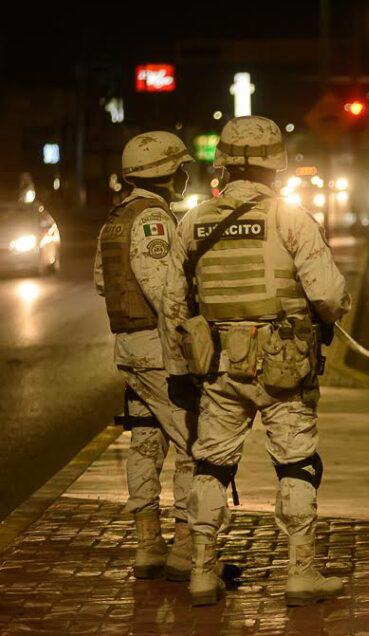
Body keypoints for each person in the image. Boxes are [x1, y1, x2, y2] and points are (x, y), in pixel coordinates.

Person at [160, 115, 350, 607]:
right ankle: (301, 574)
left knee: (212, 464)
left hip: (217, 368)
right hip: (284, 365)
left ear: (222, 162)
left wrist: (180, 372)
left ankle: (202, 573)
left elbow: (173, 306)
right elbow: (328, 296)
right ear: (277, 167)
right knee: (297, 464)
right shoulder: (291, 218)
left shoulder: (194, 220)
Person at [94, 132, 200, 581]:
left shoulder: (116, 218)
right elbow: (164, 294)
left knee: (145, 442)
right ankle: (184, 549)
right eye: (181, 168)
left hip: (128, 349)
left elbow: (103, 282)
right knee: (194, 446)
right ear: (167, 172)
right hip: (158, 351)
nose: (184, 174)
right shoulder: (154, 220)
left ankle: (147, 546)